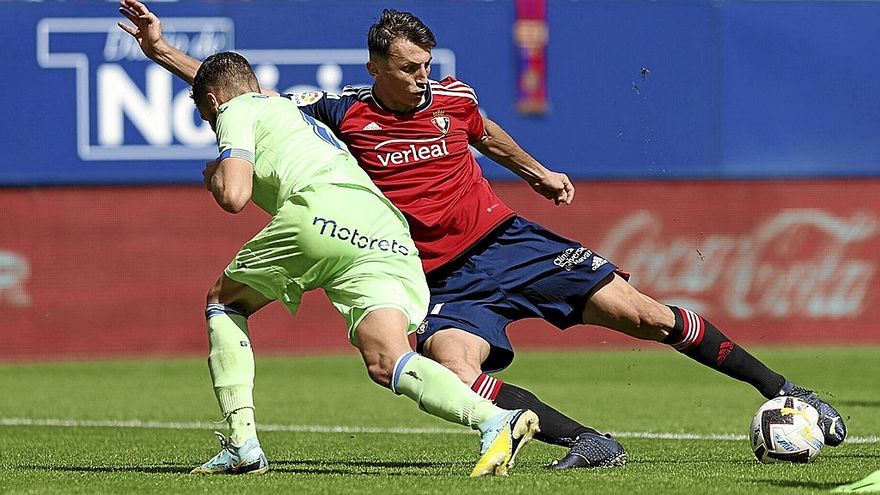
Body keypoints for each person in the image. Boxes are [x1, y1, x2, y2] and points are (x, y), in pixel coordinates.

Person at [118, 1, 847, 469]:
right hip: (437, 275)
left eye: (428, 65)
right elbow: (247, 100)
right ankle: (588, 441)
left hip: (507, 240)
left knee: (647, 314)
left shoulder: (453, 98)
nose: (423, 79)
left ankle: (788, 389)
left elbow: (487, 133)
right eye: (408, 70)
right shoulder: (338, 110)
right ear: (376, 69)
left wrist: (535, 170)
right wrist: (164, 52)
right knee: (454, 368)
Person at [155, 50, 539, 477]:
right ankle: (494, 421)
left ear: (211, 102)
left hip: (319, 214)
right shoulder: (282, 107)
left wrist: (216, 178)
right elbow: (222, 81)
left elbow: (235, 196)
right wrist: (161, 51)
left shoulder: (233, 109)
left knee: (225, 303)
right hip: (384, 227)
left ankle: (242, 445)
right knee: (387, 359)